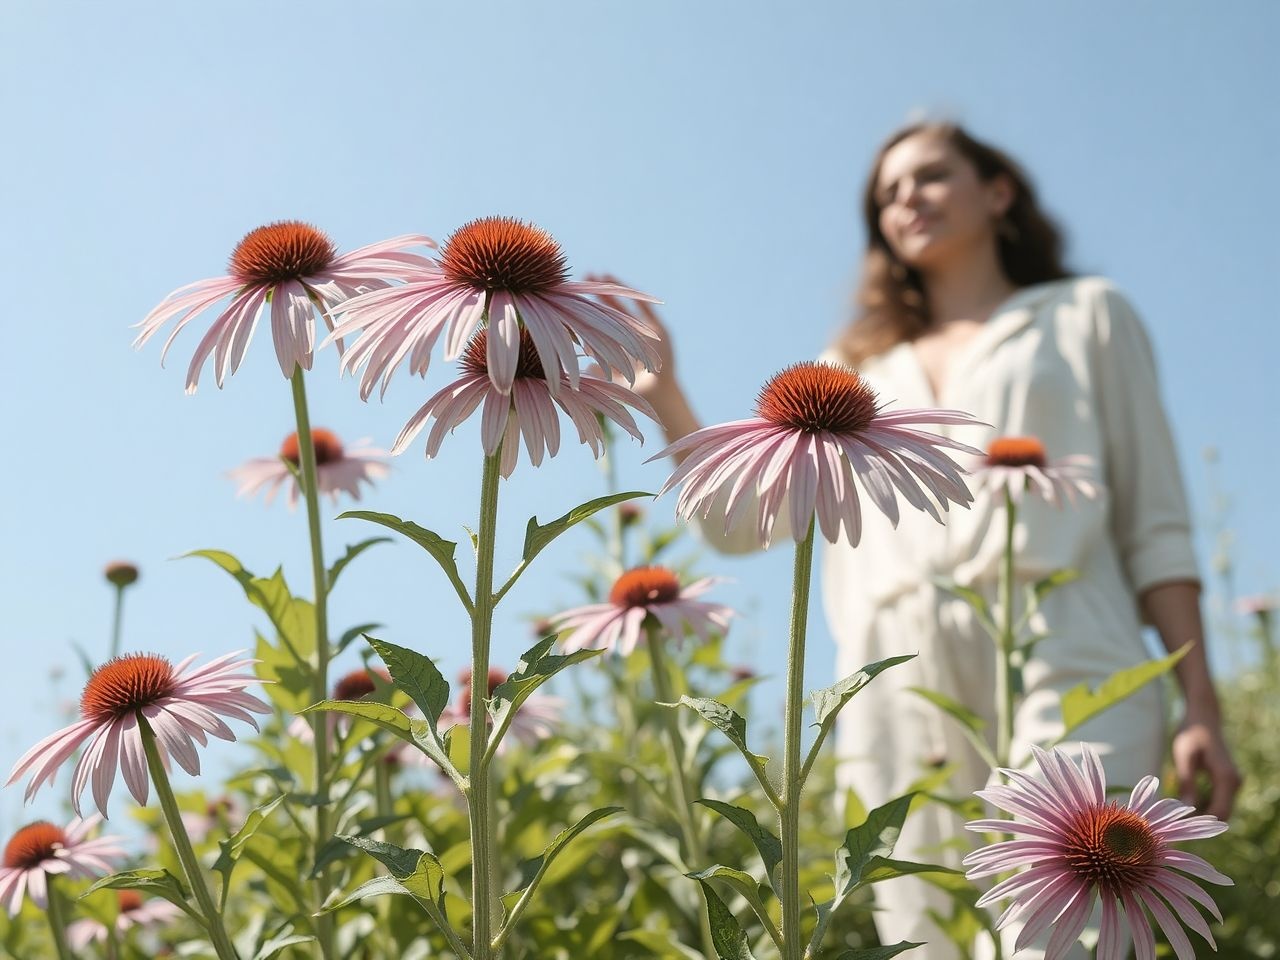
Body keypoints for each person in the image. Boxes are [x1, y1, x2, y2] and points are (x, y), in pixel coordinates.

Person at [596, 121, 1240, 959]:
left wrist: (1201, 705)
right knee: (921, 939)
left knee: (1074, 937)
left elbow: (1154, 518)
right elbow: (746, 525)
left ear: (997, 192)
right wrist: (667, 396)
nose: (906, 200)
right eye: (887, 194)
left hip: (1071, 643)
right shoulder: (855, 364)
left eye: (931, 176)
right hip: (890, 678)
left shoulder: (1085, 314)